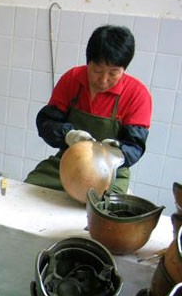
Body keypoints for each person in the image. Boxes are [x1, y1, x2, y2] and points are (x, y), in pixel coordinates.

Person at [24, 25, 152, 193]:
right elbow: (46, 123)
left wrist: (116, 151)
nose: (103, 80)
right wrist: (68, 135)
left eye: (113, 73)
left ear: (124, 69)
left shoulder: (137, 94)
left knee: (103, 214)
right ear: (88, 62)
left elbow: (135, 148)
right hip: (67, 162)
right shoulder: (72, 79)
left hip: (111, 174)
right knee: (27, 191)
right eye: (97, 70)